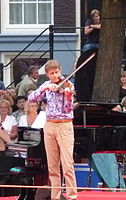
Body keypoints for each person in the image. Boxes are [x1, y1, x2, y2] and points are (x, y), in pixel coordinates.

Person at [28, 60, 77, 200]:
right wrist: (45, 89)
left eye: (57, 72)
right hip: (49, 125)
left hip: (64, 124)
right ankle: (55, 196)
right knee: (52, 165)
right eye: (52, 73)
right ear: (48, 74)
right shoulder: (46, 85)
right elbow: (31, 98)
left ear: (60, 71)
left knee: (67, 163)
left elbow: (68, 109)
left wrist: (67, 96)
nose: (55, 75)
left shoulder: (68, 85)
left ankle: (72, 196)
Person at [0, 99, 24, 175]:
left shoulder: (12, 119)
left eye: (5, 107)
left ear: (8, 109)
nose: (3, 109)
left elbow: (15, 134)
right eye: (1, 107)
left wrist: (6, 135)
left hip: (8, 141)